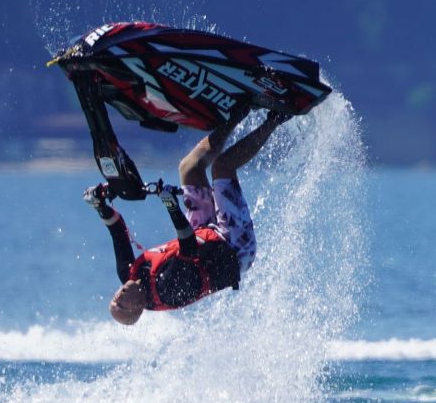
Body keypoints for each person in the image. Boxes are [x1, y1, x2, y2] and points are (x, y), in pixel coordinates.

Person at [83, 107, 291, 325]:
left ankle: (238, 113)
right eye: (122, 304)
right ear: (139, 307)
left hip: (206, 234)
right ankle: (277, 117)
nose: (119, 296)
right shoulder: (167, 290)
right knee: (222, 167)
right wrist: (170, 205)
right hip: (233, 248)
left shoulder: (128, 274)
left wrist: (99, 205)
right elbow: (188, 245)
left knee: (189, 167)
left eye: (115, 299)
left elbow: (117, 230)